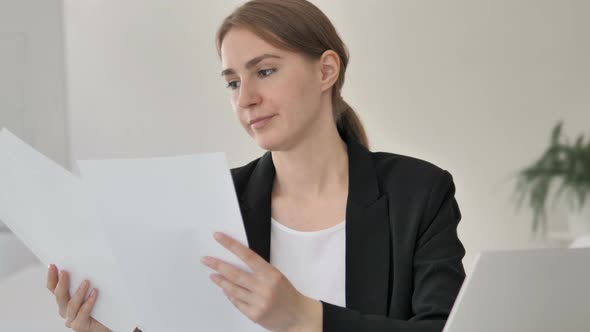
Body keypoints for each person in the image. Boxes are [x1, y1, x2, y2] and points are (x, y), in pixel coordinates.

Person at [46, 0, 466, 331]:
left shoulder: (419, 192)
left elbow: (449, 329)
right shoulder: (211, 202)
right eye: (232, 82)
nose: (245, 98)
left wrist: (305, 318)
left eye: (264, 71)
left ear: (326, 70)